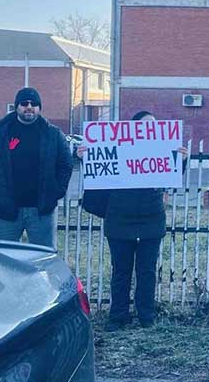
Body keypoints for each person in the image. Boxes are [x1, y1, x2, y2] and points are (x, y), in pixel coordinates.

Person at [78, 111, 188, 330]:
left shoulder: (163, 150)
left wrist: (182, 160)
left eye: (154, 126)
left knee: (147, 271)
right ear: (134, 129)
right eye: (146, 126)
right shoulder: (120, 149)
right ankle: (117, 316)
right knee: (121, 270)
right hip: (120, 217)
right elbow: (98, 174)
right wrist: (85, 157)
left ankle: (146, 315)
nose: (151, 130)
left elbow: (171, 176)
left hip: (151, 217)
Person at [0, 87, 73, 247]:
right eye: (24, 103)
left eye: (34, 104)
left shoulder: (53, 135)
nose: (29, 107)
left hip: (41, 211)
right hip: (6, 212)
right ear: (16, 106)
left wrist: (56, 192)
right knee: (2, 258)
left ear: (39, 108)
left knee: (43, 259)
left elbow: (65, 165)